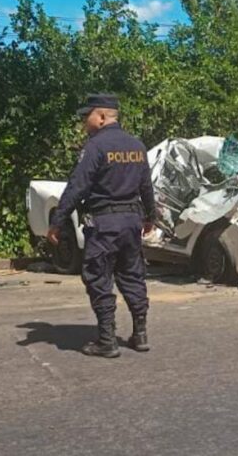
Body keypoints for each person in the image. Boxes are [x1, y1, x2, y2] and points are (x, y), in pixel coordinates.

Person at [47, 94, 156, 358]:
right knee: (132, 275)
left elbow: (77, 187)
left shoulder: (95, 147)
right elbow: (146, 186)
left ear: (102, 117)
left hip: (104, 223)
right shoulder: (137, 146)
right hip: (131, 222)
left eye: (88, 117)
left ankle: (107, 340)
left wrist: (57, 221)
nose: (85, 123)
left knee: (98, 277)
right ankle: (140, 334)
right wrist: (150, 217)